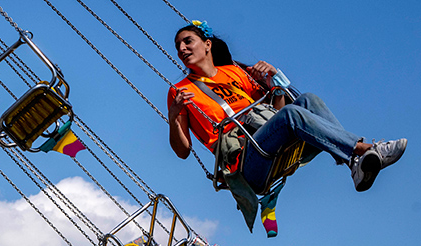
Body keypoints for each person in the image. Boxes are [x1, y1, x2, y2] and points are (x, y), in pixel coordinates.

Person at [168, 21, 406, 194]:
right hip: (245, 163)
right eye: (178, 45)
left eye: (188, 41)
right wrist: (174, 115)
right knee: (292, 114)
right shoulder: (180, 92)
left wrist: (274, 84)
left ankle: (353, 164)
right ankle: (365, 149)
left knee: (309, 100)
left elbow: (277, 110)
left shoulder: (234, 72)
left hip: (269, 142)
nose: (182, 49)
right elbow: (183, 151)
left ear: (207, 44)